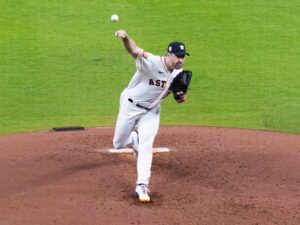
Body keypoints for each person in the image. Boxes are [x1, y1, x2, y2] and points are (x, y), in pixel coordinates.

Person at [113, 30, 190, 202]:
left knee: (147, 145)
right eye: (177, 56)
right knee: (118, 143)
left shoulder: (179, 73)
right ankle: (133, 138)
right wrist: (126, 38)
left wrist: (181, 96)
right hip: (131, 105)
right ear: (168, 54)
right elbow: (135, 50)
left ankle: (142, 186)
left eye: (183, 56)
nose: (180, 60)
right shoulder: (152, 63)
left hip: (151, 111)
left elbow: (179, 100)